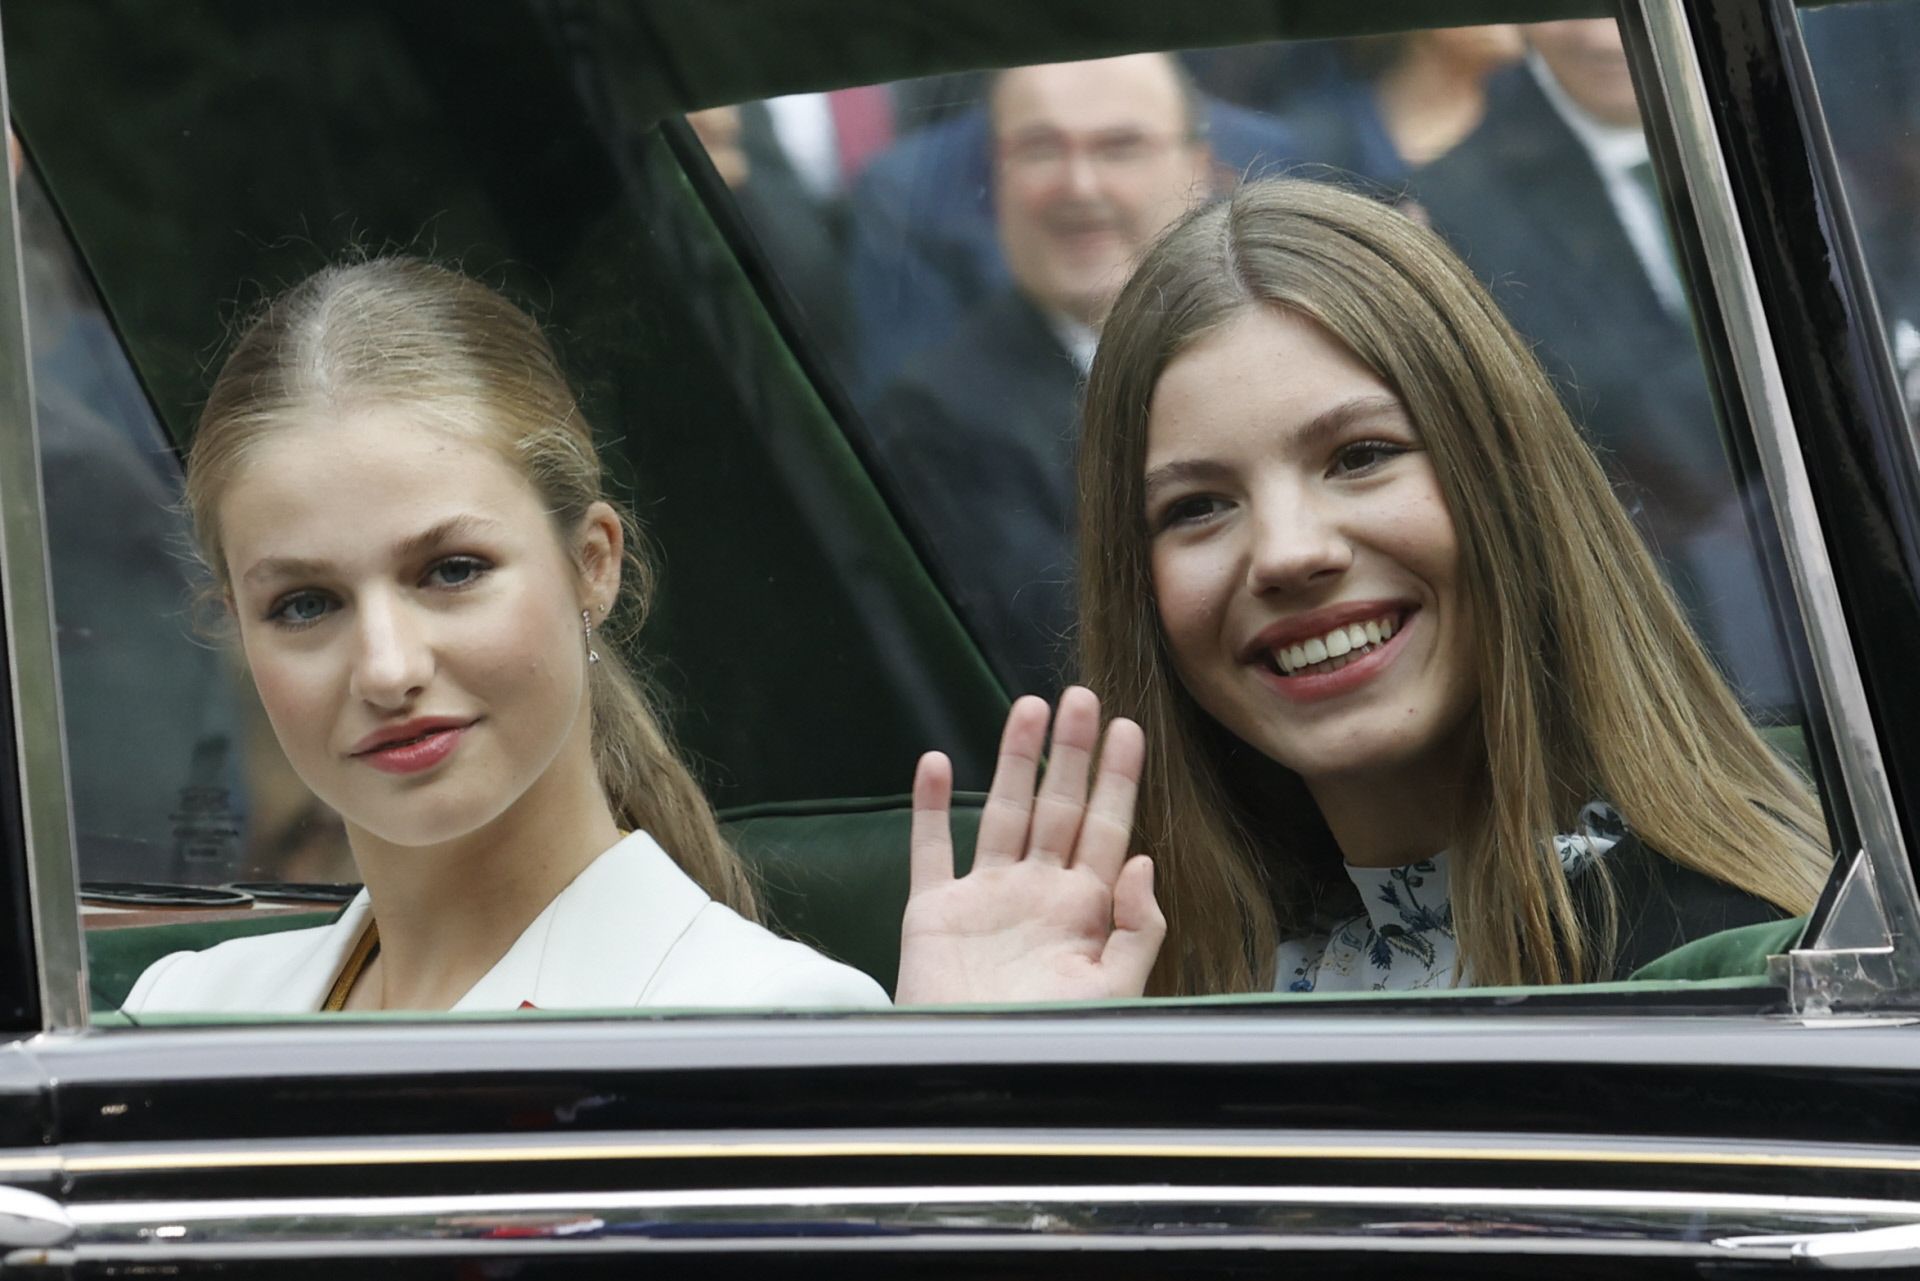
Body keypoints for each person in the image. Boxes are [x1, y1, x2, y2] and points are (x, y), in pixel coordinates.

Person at [906, 179, 1830, 999]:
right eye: (1196, 507)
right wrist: (976, 1081)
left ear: (1510, 485)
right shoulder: (1126, 993)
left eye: (1361, 456)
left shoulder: (1768, 966)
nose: (1287, 552)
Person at [122, 259, 890, 1014]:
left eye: (452, 570)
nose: (388, 669)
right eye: (304, 605)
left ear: (592, 564)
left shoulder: (771, 1020)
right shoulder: (182, 1007)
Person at [1411, 19, 1794, 712]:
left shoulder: (1801, 101)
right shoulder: (1461, 203)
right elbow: (1605, 418)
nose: (1602, 35)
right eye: (1569, 3)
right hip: (1684, 632)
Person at [865, 54, 1216, 696]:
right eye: (1041, 149)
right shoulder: (933, 420)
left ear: (1199, 168)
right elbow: (1060, 660)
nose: (1079, 185)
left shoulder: (1253, 357)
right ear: (996, 173)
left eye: (1119, 146)